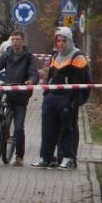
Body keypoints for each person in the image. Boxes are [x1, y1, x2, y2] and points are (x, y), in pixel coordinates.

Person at [32, 26, 90, 170]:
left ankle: (68, 158)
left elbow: (80, 80)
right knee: (48, 129)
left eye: (63, 41)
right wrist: (47, 92)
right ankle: (46, 157)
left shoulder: (78, 57)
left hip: (67, 97)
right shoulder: (55, 55)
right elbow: (52, 75)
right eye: (58, 40)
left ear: (69, 40)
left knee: (67, 129)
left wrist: (73, 100)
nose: (60, 44)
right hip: (52, 96)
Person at [0, 30, 39, 166]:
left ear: (23, 41)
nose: (15, 42)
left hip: (21, 95)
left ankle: (19, 156)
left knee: (18, 127)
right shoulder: (7, 54)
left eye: (18, 39)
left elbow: (33, 73)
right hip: (8, 90)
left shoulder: (29, 57)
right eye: (13, 39)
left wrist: (31, 81)